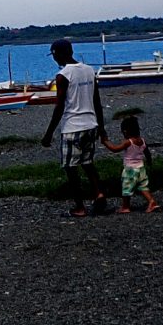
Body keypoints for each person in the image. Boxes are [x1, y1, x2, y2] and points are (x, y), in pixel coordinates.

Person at [40, 38, 107, 217]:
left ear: (59, 54)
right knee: (88, 163)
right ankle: (99, 193)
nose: (54, 60)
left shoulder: (64, 75)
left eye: (54, 55)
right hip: (91, 123)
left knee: (71, 167)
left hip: (72, 126)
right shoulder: (89, 70)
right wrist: (101, 127)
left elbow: (60, 106)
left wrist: (48, 133)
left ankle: (80, 207)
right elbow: (97, 102)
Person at [101, 115, 161, 214]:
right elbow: (147, 153)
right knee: (143, 187)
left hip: (130, 169)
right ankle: (151, 201)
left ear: (125, 131)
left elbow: (115, 149)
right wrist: (149, 161)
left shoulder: (128, 142)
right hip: (141, 169)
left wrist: (106, 142)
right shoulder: (142, 141)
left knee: (126, 188)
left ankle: (125, 206)